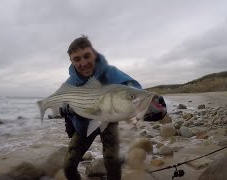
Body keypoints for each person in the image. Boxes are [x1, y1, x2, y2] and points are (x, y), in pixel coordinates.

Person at [60, 35, 167, 180]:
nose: (83, 63)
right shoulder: (69, 83)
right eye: (77, 59)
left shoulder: (110, 72)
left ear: (94, 54)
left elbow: (129, 85)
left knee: (112, 162)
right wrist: (64, 109)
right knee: (68, 166)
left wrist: (149, 101)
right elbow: (61, 101)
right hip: (83, 126)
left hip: (109, 121)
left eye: (87, 56)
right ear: (71, 61)